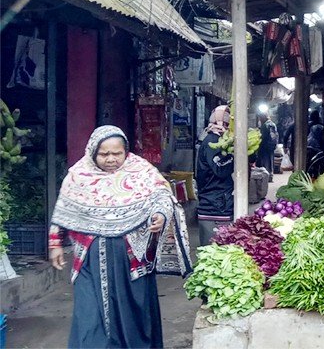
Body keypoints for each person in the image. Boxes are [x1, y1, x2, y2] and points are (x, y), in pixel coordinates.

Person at [48, 125, 192, 348]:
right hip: (89, 262)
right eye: (104, 154)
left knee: (134, 320)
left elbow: (162, 195)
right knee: (90, 318)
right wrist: (55, 243)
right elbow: (64, 209)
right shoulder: (79, 176)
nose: (111, 159)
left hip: (131, 263)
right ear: (93, 152)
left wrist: (160, 215)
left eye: (117, 153)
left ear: (126, 152)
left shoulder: (141, 171)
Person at [196, 105, 234, 245]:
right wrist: (234, 156)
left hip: (218, 203)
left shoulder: (219, 140)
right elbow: (221, 169)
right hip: (214, 207)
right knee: (212, 252)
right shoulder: (212, 141)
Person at [258, 111, 278, 182]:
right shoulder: (273, 124)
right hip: (272, 145)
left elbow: (263, 136)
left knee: (265, 161)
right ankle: (271, 176)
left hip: (265, 145)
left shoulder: (265, 125)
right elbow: (276, 135)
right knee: (271, 160)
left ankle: (266, 176)